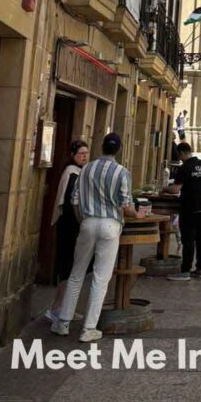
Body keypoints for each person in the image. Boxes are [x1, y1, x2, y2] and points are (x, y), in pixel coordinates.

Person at [51, 133, 137, 343]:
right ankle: (88, 328)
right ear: (118, 149)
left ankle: (62, 322)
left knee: (76, 273)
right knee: (100, 278)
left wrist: (83, 220)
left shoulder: (86, 169)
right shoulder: (122, 172)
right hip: (110, 225)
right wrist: (137, 214)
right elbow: (126, 206)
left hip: (88, 223)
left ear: (101, 146)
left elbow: (74, 200)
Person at [45, 140, 90, 323]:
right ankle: (57, 308)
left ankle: (64, 307)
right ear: (73, 155)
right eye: (81, 154)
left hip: (72, 225)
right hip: (69, 226)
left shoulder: (77, 173)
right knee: (68, 267)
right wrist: (81, 220)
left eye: (86, 153)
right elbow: (73, 202)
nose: (84, 156)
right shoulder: (72, 174)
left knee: (71, 267)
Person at [165, 143, 201, 281]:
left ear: (181, 153)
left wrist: (165, 189)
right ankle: (200, 269)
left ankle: (185, 270)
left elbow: (175, 190)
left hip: (189, 208)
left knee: (188, 240)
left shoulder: (184, 168)